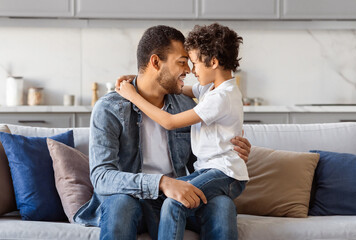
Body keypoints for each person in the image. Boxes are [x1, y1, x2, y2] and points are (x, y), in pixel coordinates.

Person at [73, 25, 251, 240]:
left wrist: (232, 149)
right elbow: (102, 178)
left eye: (190, 62)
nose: (189, 70)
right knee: (121, 204)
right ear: (155, 62)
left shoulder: (187, 105)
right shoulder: (110, 108)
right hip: (132, 198)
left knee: (222, 204)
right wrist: (161, 183)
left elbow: (205, 156)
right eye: (181, 61)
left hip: (174, 197)